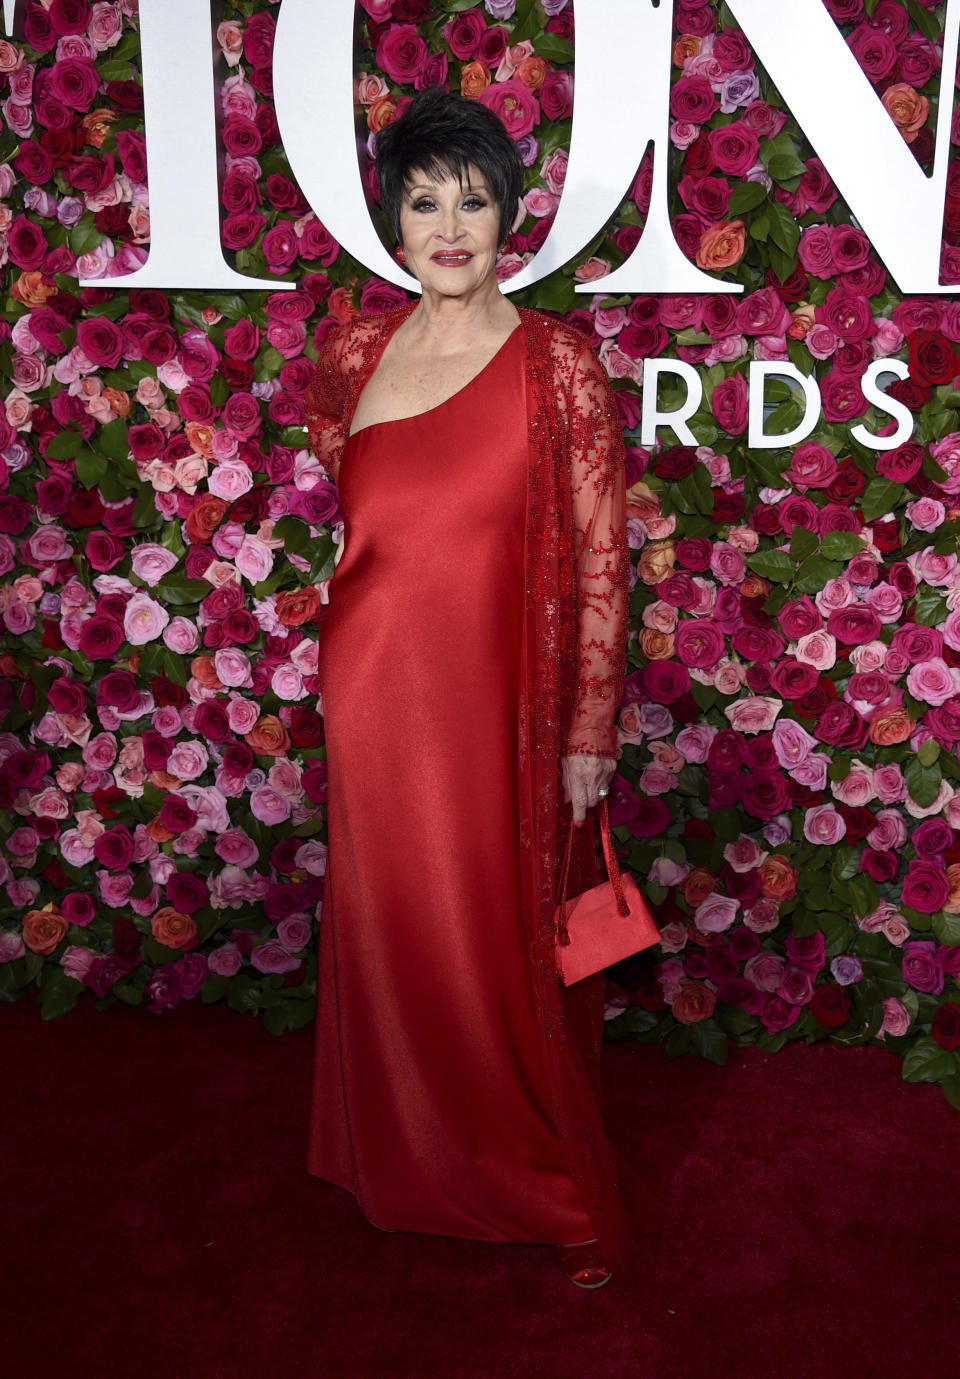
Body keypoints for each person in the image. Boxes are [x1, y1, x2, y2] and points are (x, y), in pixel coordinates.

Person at [303, 88, 636, 1288]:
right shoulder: (350, 350)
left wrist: (588, 723)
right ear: (393, 220)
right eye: (425, 199)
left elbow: (602, 553)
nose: (450, 225)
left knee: (490, 937)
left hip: (496, 703)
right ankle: (401, 1156)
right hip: (373, 696)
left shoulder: (557, 362)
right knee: (396, 931)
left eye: (475, 200)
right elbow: (368, 519)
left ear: (510, 219)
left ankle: (537, 1182)